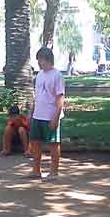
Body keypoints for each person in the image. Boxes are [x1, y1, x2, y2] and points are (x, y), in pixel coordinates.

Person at [28, 47, 65, 181]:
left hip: (50, 115)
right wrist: (31, 112)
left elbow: (60, 97)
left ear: (48, 59)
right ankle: (36, 170)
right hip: (38, 115)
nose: (39, 63)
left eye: (41, 60)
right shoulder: (39, 75)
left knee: (53, 144)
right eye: (38, 60)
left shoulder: (57, 75)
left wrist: (55, 117)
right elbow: (36, 95)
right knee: (35, 142)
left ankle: (54, 172)